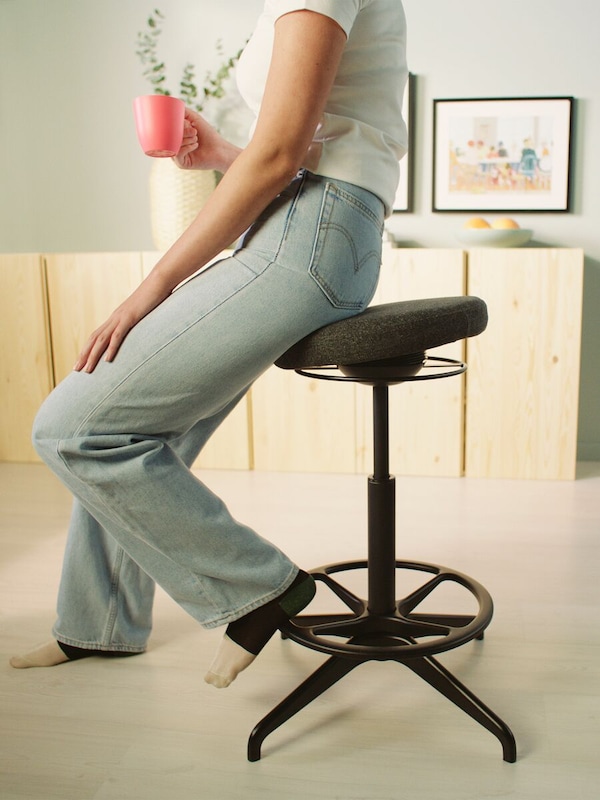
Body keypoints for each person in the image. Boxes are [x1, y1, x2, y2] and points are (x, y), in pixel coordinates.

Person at [10, 0, 408, 688]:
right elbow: (319, 141)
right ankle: (98, 625)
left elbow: (283, 154)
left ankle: (261, 589)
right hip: (315, 226)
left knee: (75, 427)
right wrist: (226, 153)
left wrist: (155, 283)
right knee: (133, 428)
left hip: (311, 230)